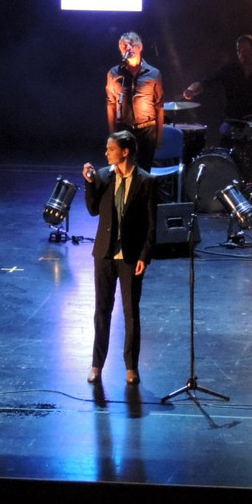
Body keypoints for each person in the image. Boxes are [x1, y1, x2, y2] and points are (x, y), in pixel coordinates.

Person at [82, 130, 157, 385]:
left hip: (130, 256)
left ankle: (131, 367)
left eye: (111, 149)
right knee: (102, 310)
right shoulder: (103, 176)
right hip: (104, 254)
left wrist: (145, 256)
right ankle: (96, 365)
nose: (106, 153)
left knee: (131, 312)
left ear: (125, 152)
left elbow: (151, 224)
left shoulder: (146, 181)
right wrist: (89, 183)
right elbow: (93, 210)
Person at [183, 34, 252, 148]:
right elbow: (206, 82)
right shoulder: (229, 70)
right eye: (239, 50)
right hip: (232, 121)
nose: (242, 54)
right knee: (226, 136)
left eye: (245, 50)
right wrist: (191, 90)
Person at [107, 31, 164, 172]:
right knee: (124, 171)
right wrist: (112, 134)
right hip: (124, 129)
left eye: (132, 45)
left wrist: (159, 136)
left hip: (147, 130)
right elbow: (111, 104)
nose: (128, 48)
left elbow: (159, 105)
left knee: (144, 172)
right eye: (124, 46)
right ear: (121, 51)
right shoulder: (114, 73)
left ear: (140, 47)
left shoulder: (154, 73)